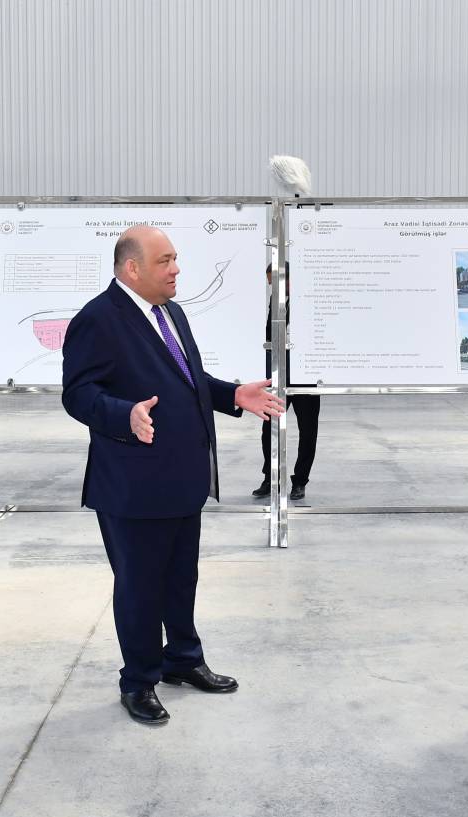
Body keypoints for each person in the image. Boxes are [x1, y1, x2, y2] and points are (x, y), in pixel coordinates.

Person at [62, 225, 284, 725]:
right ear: (132, 268)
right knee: (140, 586)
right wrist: (124, 415)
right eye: (164, 261)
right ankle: (139, 680)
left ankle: (182, 659)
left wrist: (232, 395)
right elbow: (77, 394)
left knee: (181, 578)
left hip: (181, 478)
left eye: (175, 259)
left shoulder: (170, 313)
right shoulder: (98, 319)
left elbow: (186, 379)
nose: (176, 269)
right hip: (133, 484)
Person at [253, 263, 321, 501]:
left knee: (307, 431)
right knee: (268, 428)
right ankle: (270, 478)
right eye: (270, 284)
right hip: (279, 373)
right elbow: (268, 334)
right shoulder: (275, 300)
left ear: (289, 279)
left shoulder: (309, 301)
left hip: (305, 375)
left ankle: (300, 481)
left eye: (275, 282)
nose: (272, 287)